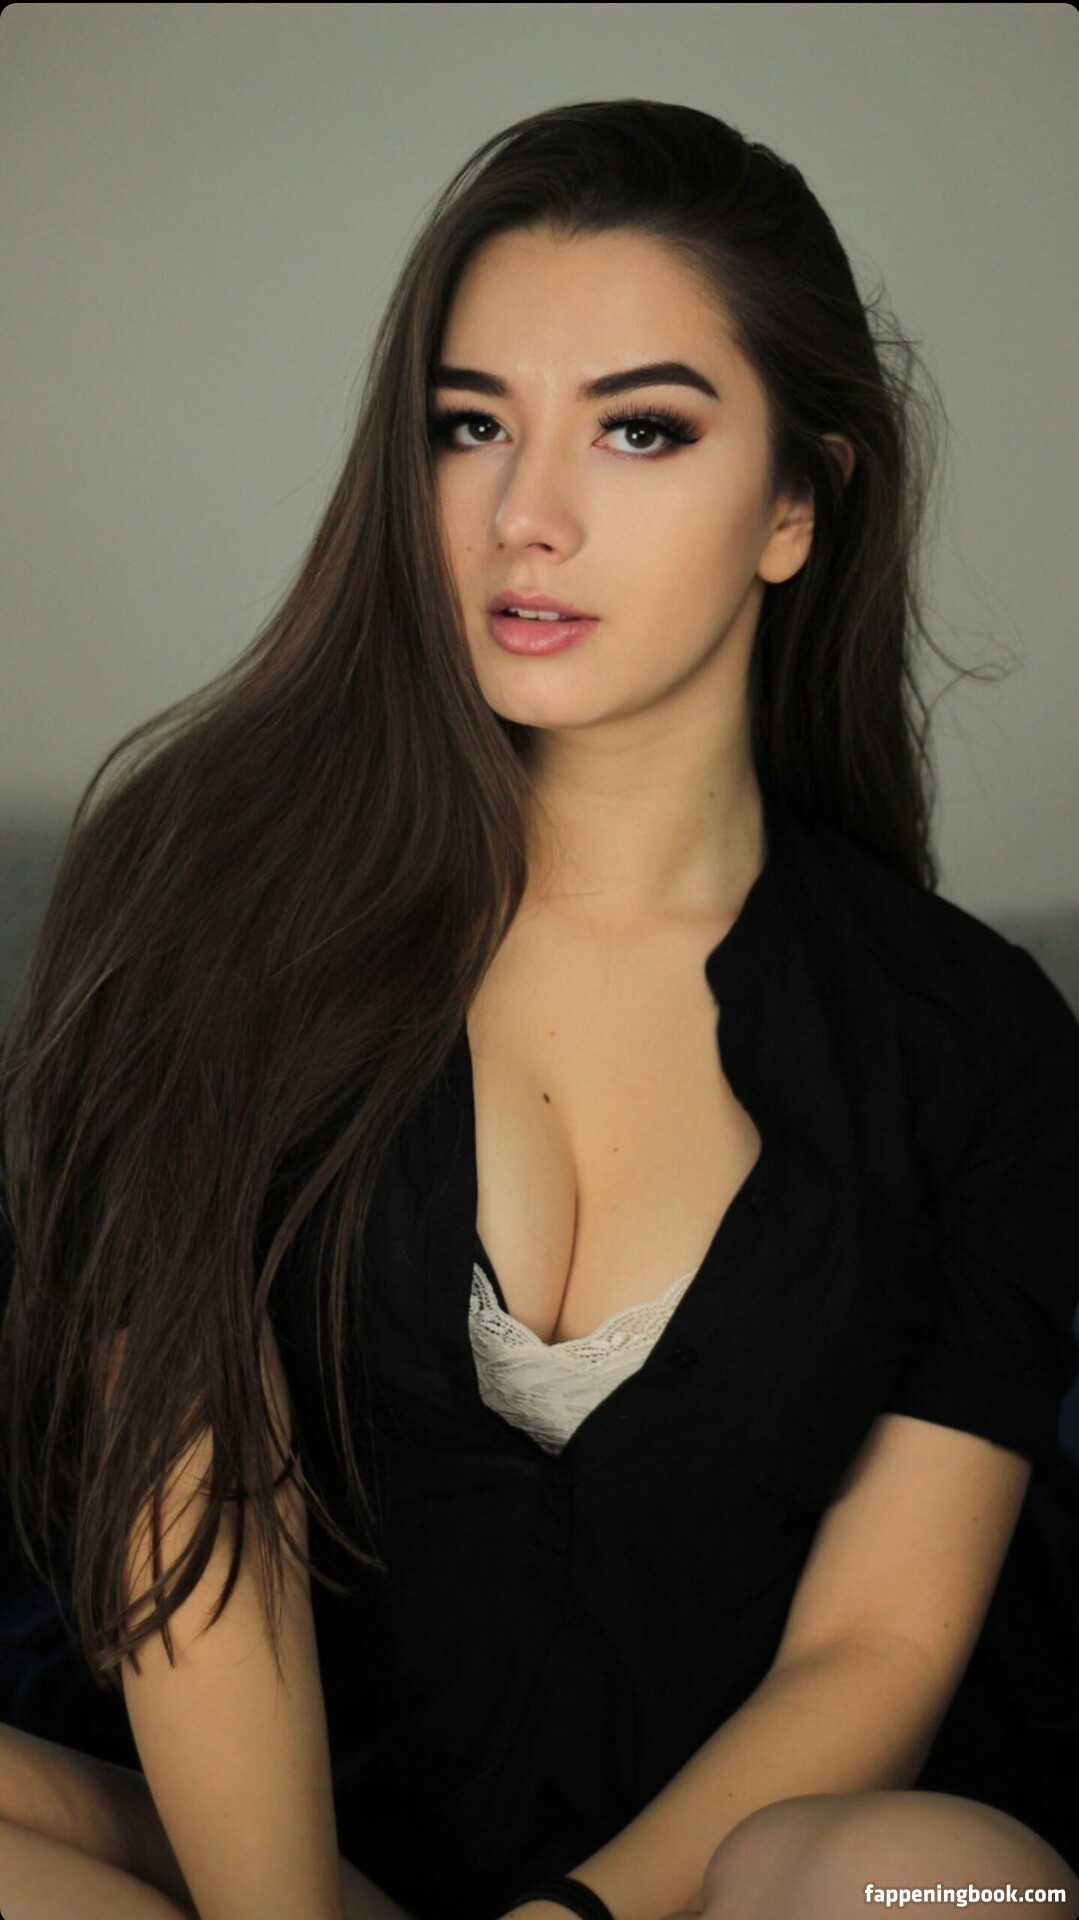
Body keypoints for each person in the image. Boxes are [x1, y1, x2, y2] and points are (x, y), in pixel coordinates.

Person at [1, 97, 1078, 1920]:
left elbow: (879, 1645)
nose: (526, 516)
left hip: (713, 1894)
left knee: (956, 1883)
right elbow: (188, 1501)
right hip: (260, 1875)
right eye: (471, 425)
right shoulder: (208, 897)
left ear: (798, 504)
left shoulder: (974, 1044)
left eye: (640, 430)